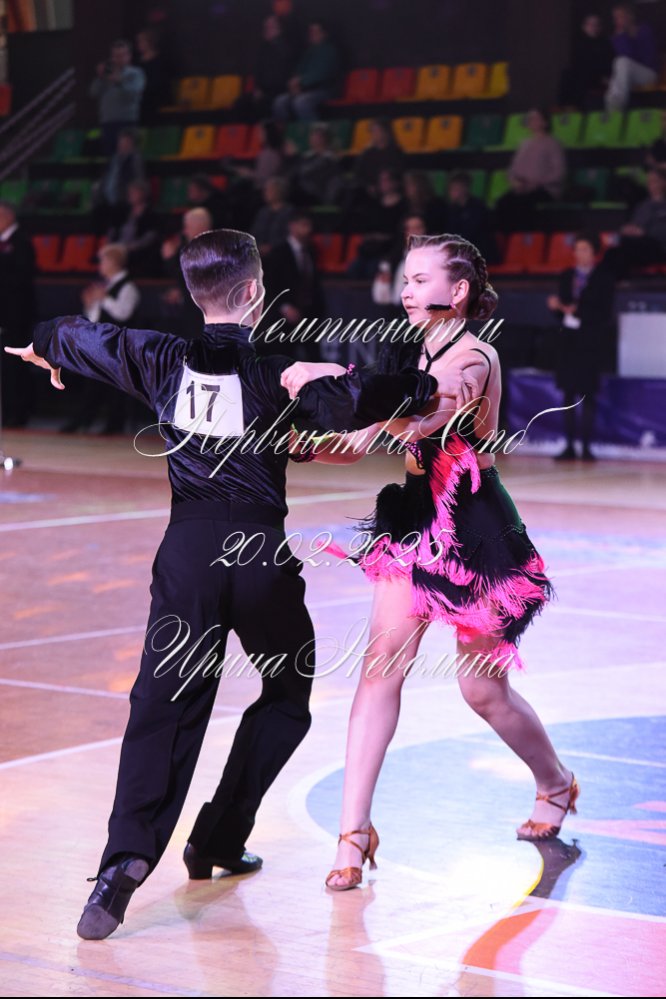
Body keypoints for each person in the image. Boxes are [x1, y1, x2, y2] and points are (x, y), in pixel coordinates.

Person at [5, 228, 445, 939]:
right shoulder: (277, 373)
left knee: (161, 708)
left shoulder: (157, 357)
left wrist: (43, 346)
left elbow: (73, 334)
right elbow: (362, 400)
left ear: (193, 293)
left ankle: (120, 869)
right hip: (259, 557)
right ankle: (217, 837)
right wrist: (408, 383)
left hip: (187, 555)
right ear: (253, 292)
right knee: (287, 692)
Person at [287, 233, 579, 891]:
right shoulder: (407, 355)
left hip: (474, 530)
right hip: (414, 520)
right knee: (378, 670)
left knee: (481, 689)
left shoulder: (475, 357)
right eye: (405, 279)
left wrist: (330, 378)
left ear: (460, 290)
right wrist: (297, 443)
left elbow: (423, 413)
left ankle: (555, 780)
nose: (406, 290)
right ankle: (353, 833)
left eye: (421, 280)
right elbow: (362, 439)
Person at [547, 233, 616, 462]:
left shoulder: (604, 278)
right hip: (568, 342)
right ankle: (569, 445)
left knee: (587, 394)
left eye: (585, 249)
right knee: (568, 393)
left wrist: (577, 311)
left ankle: (586, 446)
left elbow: (605, 313)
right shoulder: (567, 275)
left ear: (594, 253)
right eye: (577, 249)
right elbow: (562, 312)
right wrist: (557, 308)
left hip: (590, 342)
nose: (580, 254)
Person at [61, 243, 141, 435]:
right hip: (100, 344)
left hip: (119, 346)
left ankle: (114, 424)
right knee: (92, 382)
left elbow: (123, 313)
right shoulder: (104, 286)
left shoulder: (128, 287)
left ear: (114, 262)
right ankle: (84, 419)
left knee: (115, 387)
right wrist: (90, 304)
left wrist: (104, 298)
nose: (100, 265)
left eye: (103, 261)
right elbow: (94, 318)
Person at [263, 209, 326, 359]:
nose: (308, 230)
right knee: (283, 360)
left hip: (309, 316)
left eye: (309, 225)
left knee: (314, 359)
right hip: (283, 318)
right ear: (292, 226)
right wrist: (284, 306)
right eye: (303, 225)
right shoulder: (279, 252)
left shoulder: (311, 251)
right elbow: (269, 284)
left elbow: (313, 282)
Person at [495, 109, 566, 231]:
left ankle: (525, 237)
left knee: (522, 205)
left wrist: (537, 182)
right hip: (522, 188)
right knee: (502, 203)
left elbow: (558, 172)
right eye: (530, 119)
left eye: (535, 118)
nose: (531, 121)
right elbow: (512, 169)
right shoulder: (524, 144)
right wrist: (514, 181)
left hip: (544, 189)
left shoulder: (552, 143)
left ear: (545, 122)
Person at [0, 200, 35, 428]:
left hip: (15, 316)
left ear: (9, 216)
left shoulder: (22, 242)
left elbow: (21, 280)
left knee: (16, 365)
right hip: (3, 314)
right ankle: (6, 412)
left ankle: (18, 413)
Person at [272, 20, 341, 121]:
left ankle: (313, 129)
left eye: (316, 32)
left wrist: (301, 81)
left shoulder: (330, 51)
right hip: (305, 90)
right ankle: (285, 129)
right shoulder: (309, 51)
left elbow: (322, 74)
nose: (312, 34)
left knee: (301, 102)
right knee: (280, 101)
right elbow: (299, 70)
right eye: (311, 32)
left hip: (325, 90)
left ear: (324, 34)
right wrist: (294, 83)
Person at [161, 206, 213, 337]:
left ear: (200, 226)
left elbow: (192, 280)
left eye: (187, 226)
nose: (184, 231)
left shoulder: (211, 249)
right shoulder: (193, 248)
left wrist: (170, 259)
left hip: (204, 319)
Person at [604, 167, 666, 275]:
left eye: (654, 181)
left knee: (625, 247)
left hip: (658, 247)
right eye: (649, 181)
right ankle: (609, 281)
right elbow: (634, 225)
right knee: (612, 251)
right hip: (637, 245)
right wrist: (627, 230)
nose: (651, 184)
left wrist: (644, 233)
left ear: (663, 182)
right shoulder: (642, 206)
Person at [89, 39, 146, 156]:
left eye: (122, 55)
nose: (118, 59)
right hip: (108, 122)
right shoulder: (106, 75)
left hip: (127, 122)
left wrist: (118, 81)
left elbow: (133, 95)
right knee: (110, 157)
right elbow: (93, 93)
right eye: (115, 56)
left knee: (127, 157)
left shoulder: (135, 73)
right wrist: (100, 77)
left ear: (129, 56)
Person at [605, 3, 659, 112]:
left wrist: (623, 38)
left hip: (648, 73)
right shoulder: (617, 37)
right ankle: (612, 111)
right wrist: (621, 37)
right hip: (628, 76)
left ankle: (616, 107)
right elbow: (624, 60)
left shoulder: (644, 30)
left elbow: (645, 58)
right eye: (615, 18)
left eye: (620, 16)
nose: (617, 20)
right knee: (618, 69)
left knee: (622, 62)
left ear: (630, 16)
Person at [558, 13, 614, 109]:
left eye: (596, 25)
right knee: (567, 74)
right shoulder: (579, 43)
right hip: (584, 75)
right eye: (590, 24)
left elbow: (608, 63)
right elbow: (579, 63)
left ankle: (577, 107)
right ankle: (566, 107)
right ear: (584, 27)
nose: (594, 27)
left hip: (600, 77)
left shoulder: (605, 43)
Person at [108, 179, 162, 278]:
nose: (130, 194)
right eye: (130, 192)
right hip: (119, 248)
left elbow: (149, 238)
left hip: (137, 251)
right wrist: (112, 246)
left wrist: (131, 247)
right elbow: (113, 231)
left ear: (143, 193)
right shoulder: (123, 212)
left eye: (134, 192)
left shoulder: (151, 214)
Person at [251, 176, 293, 256]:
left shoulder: (289, 212)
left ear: (279, 191)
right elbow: (255, 233)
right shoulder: (263, 212)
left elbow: (289, 236)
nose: (265, 193)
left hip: (280, 253)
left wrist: (271, 247)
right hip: (259, 252)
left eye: (269, 190)